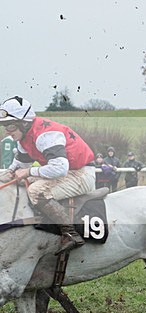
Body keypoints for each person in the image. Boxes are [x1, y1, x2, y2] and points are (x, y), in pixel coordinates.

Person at [0, 96, 95, 254]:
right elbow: (18, 167)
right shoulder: (24, 138)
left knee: (36, 190)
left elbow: (59, 169)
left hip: (81, 173)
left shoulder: (46, 136)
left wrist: (29, 172)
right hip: (67, 171)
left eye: (10, 126)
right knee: (20, 181)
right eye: (5, 126)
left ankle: (70, 233)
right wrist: (9, 173)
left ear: (24, 123)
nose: (7, 131)